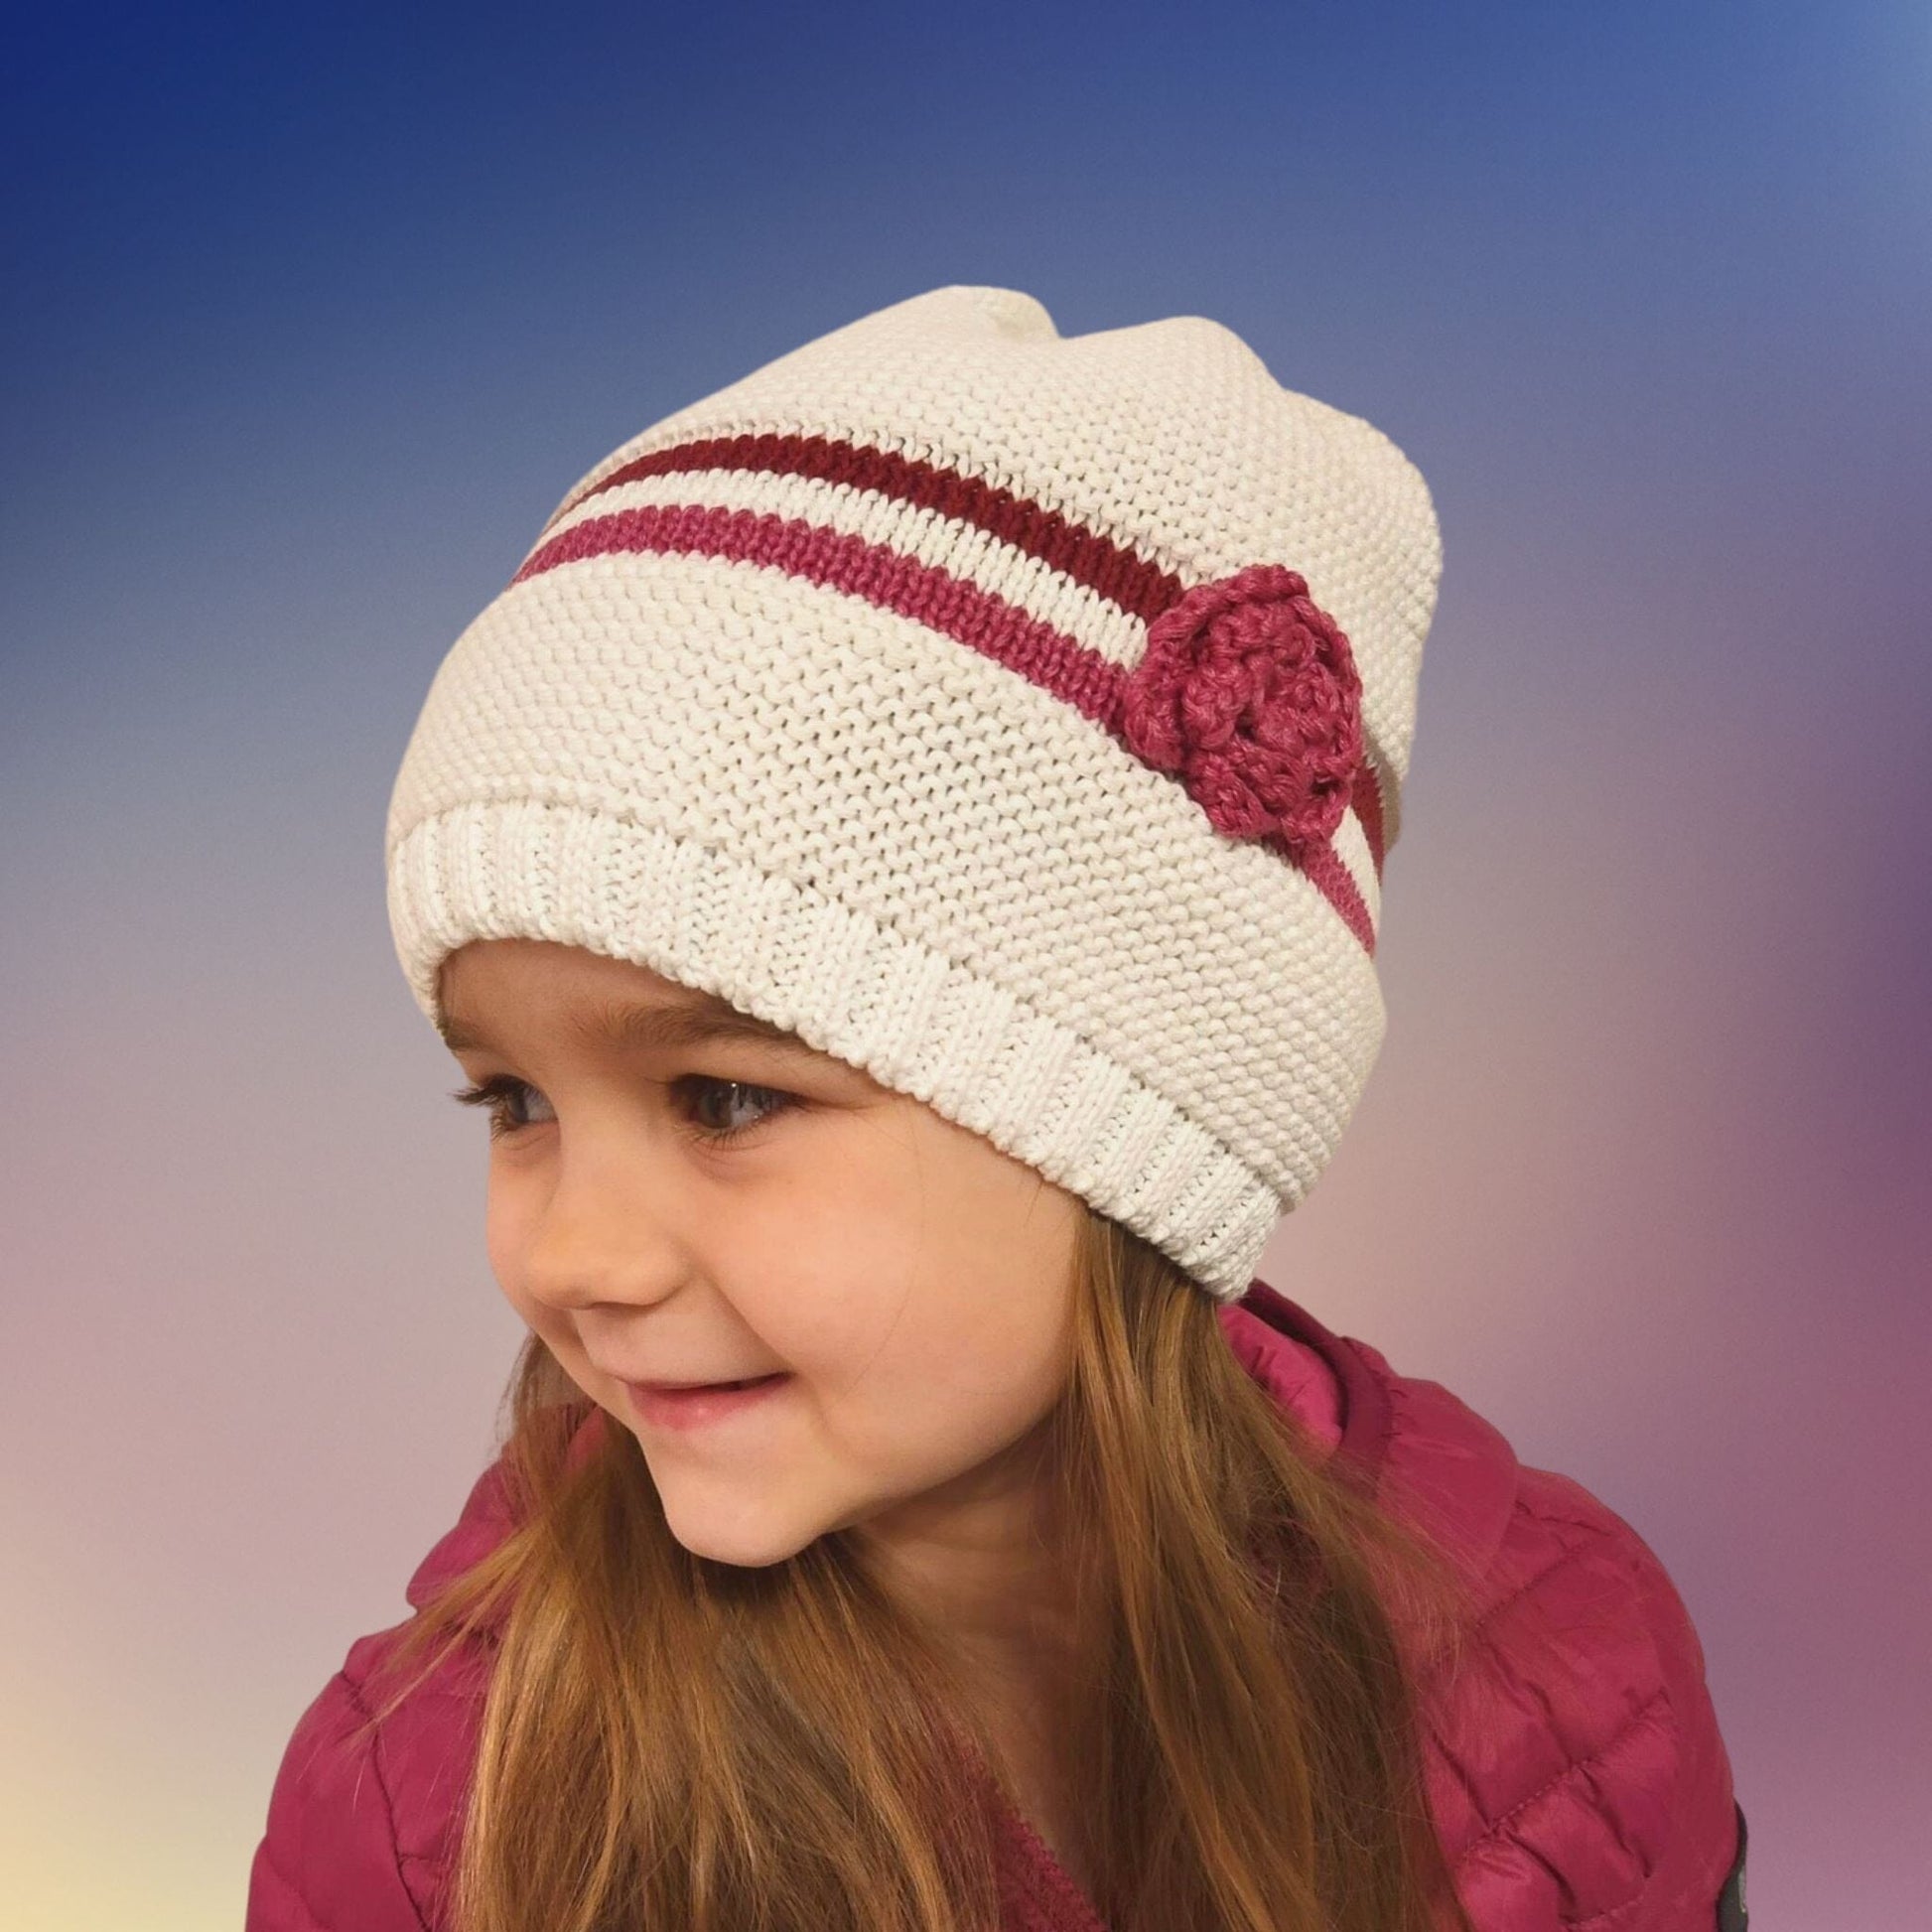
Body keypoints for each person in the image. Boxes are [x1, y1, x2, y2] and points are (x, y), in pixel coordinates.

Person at [244, 285, 1747, 1932]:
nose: (575, 1257)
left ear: (1126, 1121)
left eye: (726, 1093)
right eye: (514, 1097)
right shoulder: (434, 1807)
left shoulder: (1555, 1689)